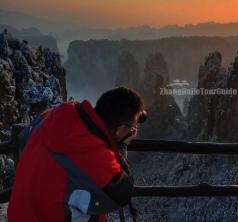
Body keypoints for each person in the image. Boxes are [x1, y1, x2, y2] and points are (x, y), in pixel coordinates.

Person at [8, 87, 147, 222]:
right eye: (132, 127)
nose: (132, 130)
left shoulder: (51, 116)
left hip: (20, 214)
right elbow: (123, 192)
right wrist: (121, 147)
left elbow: (23, 138)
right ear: (121, 128)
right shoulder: (92, 154)